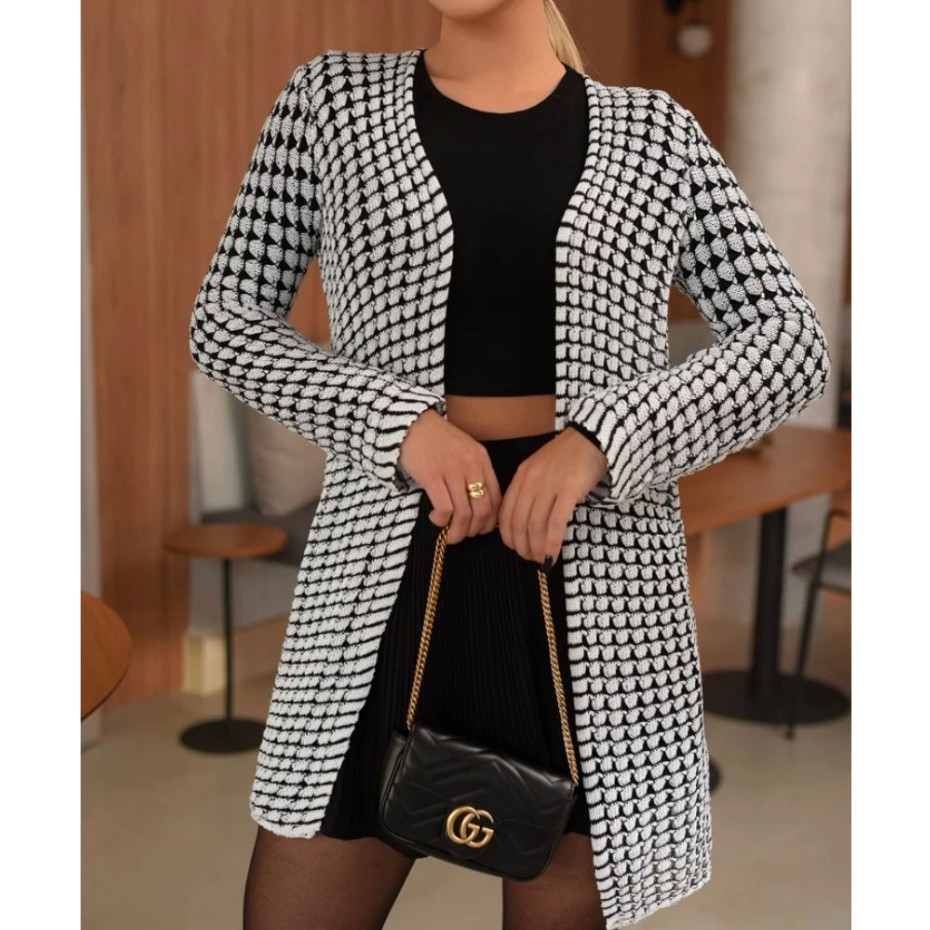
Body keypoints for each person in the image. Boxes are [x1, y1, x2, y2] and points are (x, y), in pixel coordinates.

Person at [188, 2, 832, 928]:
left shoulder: (655, 135)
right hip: (380, 573)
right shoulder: (329, 103)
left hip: (594, 587)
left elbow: (789, 341)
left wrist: (602, 439)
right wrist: (399, 424)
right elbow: (227, 320)